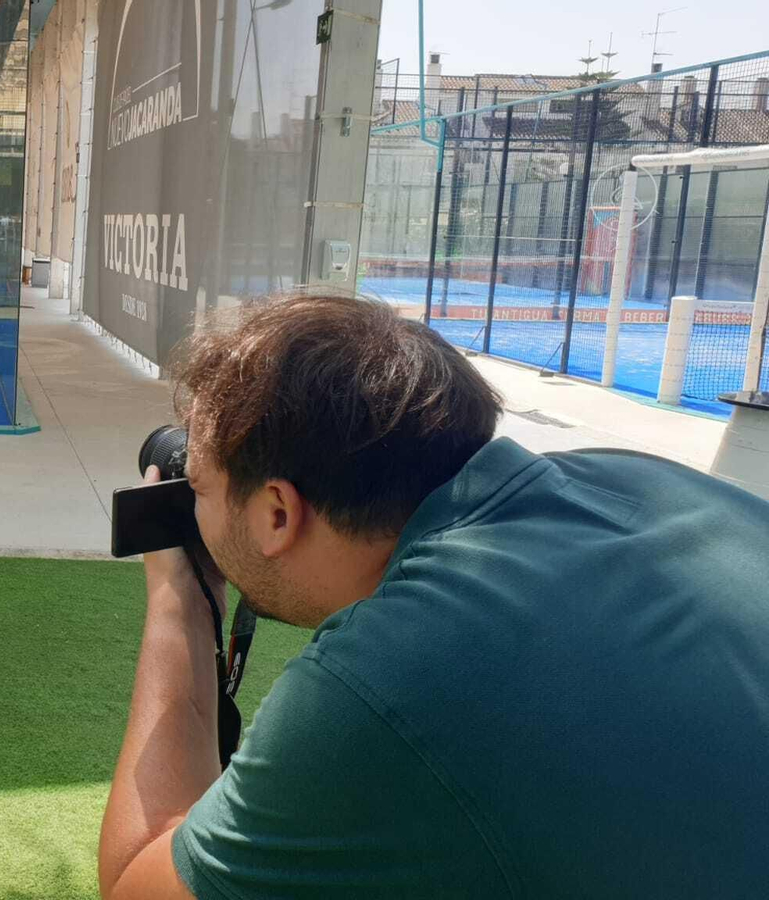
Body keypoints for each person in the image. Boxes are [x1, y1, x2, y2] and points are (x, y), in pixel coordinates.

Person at [98, 294, 769, 898]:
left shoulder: (385, 676)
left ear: (277, 512)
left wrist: (179, 604)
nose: (194, 503)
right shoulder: (630, 478)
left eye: (203, 487)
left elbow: (138, 886)